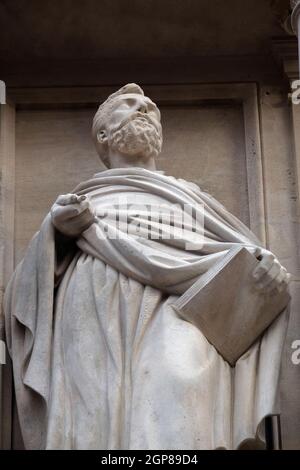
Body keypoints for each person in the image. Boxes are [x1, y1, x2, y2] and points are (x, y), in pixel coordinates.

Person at [4, 83, 290, 450]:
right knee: (95, 419)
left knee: (179, 398)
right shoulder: (83, 199)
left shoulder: (190, 197)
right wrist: (56, 233)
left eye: (150, 107)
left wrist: (263, 268)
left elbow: (232, 254)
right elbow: (20, 298)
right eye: (130, 104)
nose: (144, 109)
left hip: (180, 309)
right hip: (90, 309)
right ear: (103, 134)